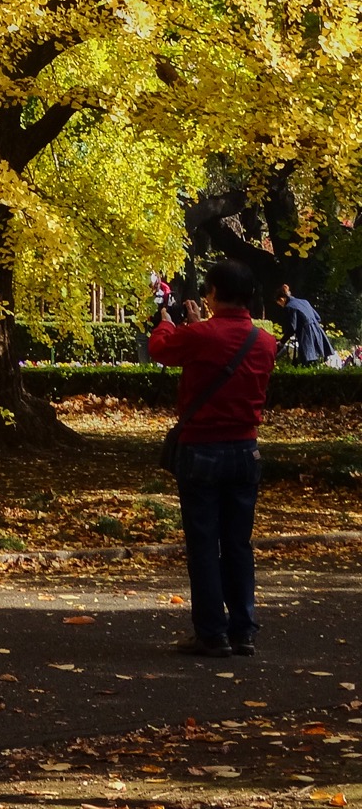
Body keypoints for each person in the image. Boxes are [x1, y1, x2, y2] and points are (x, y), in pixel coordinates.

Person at [149, 259, 278, 657]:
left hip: (202, 449)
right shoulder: (264, 341)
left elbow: (160, 349)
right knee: (238, 543)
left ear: (214, 294)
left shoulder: (201, 335)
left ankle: (211, 632)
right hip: (245, 449)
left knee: (204, 543)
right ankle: (245, 630)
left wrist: (170, 321)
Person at [273, 285, 333, 365]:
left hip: (306, 336)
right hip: (318, 333)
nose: (281, 306)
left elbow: (292, 327)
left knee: (306, 363)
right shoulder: (304, 301)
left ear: (282, 299)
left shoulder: (289, 307)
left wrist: (282, 342)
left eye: (280, 304)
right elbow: (318, 318)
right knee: (319, 361)